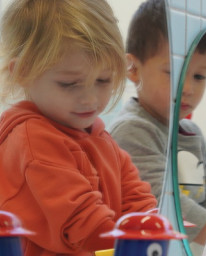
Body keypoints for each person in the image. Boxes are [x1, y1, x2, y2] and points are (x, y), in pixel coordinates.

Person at [0, 0, 158, 255]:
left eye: (103, 80)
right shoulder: (33, 140)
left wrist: (150, 225)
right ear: (22, 72)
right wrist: (143, 243)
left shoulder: (95, 133)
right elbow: (83, 224)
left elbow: (135, 198)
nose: (90, 99)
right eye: (69, 84)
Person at [107, 0, 206, 255]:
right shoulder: (131, 131)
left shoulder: (192, 134)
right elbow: (167, 203)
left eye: (199, 76)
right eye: (173, 72)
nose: (189, 88)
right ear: (134, 69)